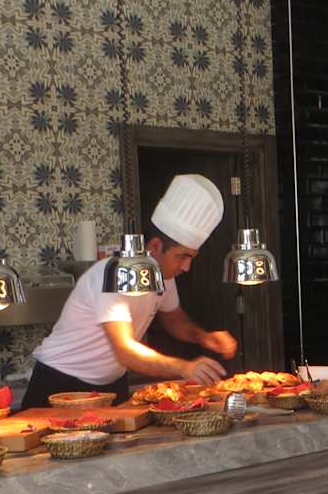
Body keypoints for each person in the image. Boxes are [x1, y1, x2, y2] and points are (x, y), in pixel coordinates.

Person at [19, 174, 236, 410]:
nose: (186, 267)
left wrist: (203, 337)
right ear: (155, 246)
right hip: (60, 382)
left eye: (191, 257)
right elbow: (125, 350)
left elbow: (173, 318)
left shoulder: (164, 275)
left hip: (111, 384)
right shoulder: (113, 274)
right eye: (182, 256)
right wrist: (184, 367)